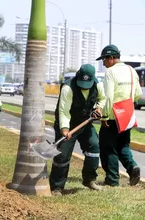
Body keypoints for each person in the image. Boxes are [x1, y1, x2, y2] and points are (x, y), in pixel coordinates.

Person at [49, 64, 107, 195]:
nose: (84, 86)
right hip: (68, 123)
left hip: (85, 122)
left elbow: (102, 99)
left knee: (94, 147)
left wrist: (98, 108)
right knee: (62, 155)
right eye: (81, 83)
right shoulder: (68, 88)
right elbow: (63, 111)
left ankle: (89, 179)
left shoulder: (98, 85)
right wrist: (64, 128)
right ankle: (57, 187)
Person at [96, 44, 143, 187]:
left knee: (107, 147)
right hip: (127, 116)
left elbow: (108, 96)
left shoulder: (110, 72)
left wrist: (104, 117)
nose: (103, 63)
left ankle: (112, 180)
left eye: (104, 59)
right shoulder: (131, 70)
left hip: (112, 117)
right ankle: (132, 167)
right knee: (123, 145)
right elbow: (138, 94)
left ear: (111, 58)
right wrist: (126, 105)